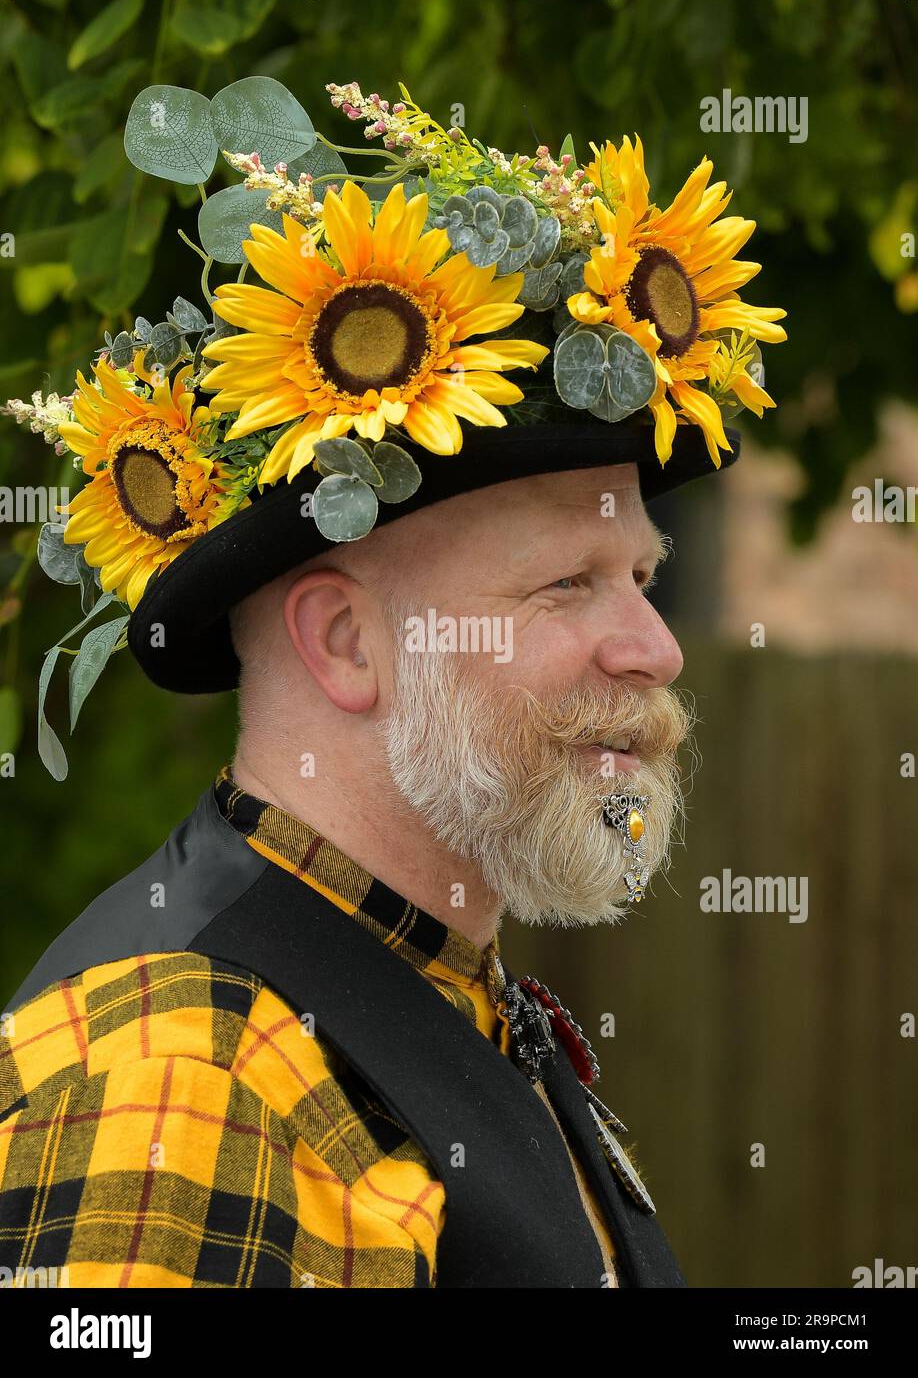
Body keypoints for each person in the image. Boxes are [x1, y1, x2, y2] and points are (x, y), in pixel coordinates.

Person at [0, 77, 785, 1288]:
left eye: (642, 575)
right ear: (347, 644)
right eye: (567, 585)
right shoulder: (183, 1068)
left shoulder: (448, 993)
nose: (656, 647)